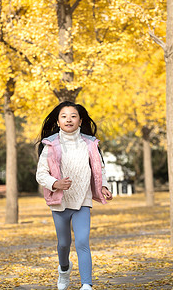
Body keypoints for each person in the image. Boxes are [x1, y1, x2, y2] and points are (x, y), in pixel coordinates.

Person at [36, 101, 113, 290]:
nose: (68, 119)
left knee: (82, 242)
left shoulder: (90, 143)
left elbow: (99, 168)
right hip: (60, 201)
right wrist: (55, 183)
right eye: (64, 116)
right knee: (63, 244)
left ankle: (87, 284)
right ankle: (64, 269)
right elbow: (41, 174)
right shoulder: (51, 145)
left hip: (82, 200)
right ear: (58, 121)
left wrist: (102, 185)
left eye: (73, 116)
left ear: (80, 121)